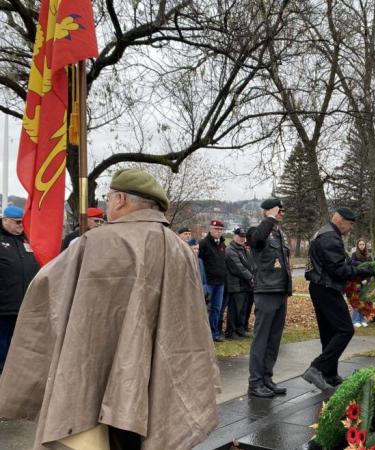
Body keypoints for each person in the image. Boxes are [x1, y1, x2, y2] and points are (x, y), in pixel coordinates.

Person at [0, 169, 219, 449]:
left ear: (120, 200)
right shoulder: (179, 248)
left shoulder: (97, 242)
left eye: (109, 198)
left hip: (97, 373)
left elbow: (44, 292)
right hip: (159, 373)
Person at [303, 208, 371, 390]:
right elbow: (340, 269)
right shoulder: (330, 238)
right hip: (327, 288)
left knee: (330, 333)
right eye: (349, 224)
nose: (350, 228)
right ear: (340, 220)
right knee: (345, 330)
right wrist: (365, 271)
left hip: (321, 286)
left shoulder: (327, 233)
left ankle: (330, 374)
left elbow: (345, 261)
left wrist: (365, 265)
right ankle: (317, 368)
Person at [248, 198, 291, 398]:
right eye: (277, 210)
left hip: (280, 290)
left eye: (280, 211)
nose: (281, 213)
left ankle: (266, 378)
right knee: (261, 339)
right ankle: (255, 382)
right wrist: (270, 218)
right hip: (266, 291)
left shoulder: (279, 234)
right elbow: (256, 241)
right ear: (267, 212)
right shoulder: (257, 231)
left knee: (274, 340)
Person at [0, 205, 40, 374]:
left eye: (23, 222)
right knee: (2, 347)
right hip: (3, 307)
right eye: (17, 222)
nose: (21, 226)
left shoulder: (28, 240)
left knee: (21, 347)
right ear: (5, 220)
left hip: (25, 305)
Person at [199, 219, 227, 342]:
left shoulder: (222, 244)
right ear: (210, 229)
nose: (218, 231)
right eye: (216, 229)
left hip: (220, 282)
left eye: (220, 229)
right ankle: (202, 334)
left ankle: (214, 333)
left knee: (217, 308)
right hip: (208, 282)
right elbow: (199, 263)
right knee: (205, 308)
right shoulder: (203, 244)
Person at [225, 228, 254, 339]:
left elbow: (250, 265)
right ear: (234, 236)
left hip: (245, 285)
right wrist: (251, 277)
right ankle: (231, 332)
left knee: (243, 310)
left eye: (243, 236)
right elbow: (239, 268)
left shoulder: (243, 249)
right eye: (240, 236)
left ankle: (240, 330)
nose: (242, 238)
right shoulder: (230, 250)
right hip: (235, 285)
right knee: (234, 310)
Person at [350, 239, 371, 327]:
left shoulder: (368, 256)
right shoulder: (354, 255)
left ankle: (362, 319)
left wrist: (367, 280)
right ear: (357, 245)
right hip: (357, 281)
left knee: (364, 300)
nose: (361, 246)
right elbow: (352, 267)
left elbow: (371, 268)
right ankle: (355, 319)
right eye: (360, 244)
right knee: (356, 300)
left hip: (365, 281)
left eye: (363, 244)